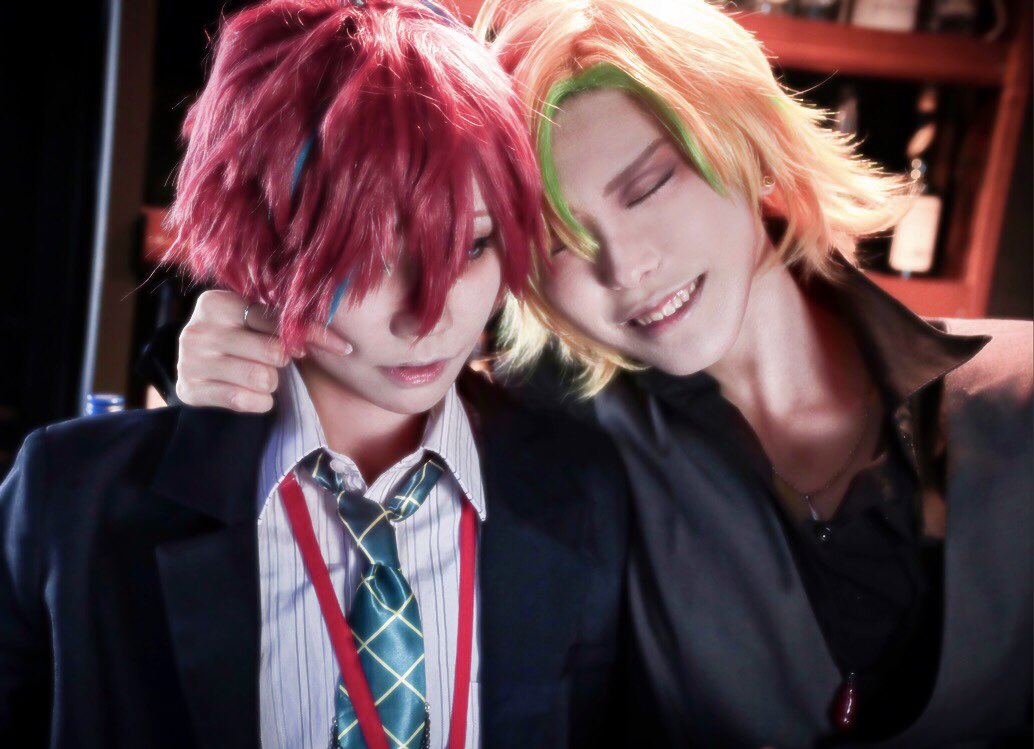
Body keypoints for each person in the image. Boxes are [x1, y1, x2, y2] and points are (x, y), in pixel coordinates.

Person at [172, 0, 1033, 746]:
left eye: (648, 185)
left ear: (752, 144)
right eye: (560, 242)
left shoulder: (1019, 394)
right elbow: (362, 362)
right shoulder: (552, 437)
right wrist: (235, 333)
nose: (626, 266)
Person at [0, 2, 632, 747]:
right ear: (258, 243)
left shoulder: (580, 490)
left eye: (471, 246)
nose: (429, 315)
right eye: (369, 257)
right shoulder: (73, 500)